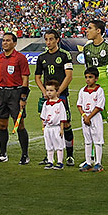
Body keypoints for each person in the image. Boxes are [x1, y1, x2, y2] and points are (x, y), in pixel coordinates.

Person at [82, 20, 108, 168]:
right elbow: (88, 69)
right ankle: (92, 157)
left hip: (107, 89)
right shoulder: (86, 48)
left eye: (89, 28)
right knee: (91, 122)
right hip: (92, 90)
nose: (86, 31)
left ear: (98, 31)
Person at [35, 29, 77, 166]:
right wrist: (44, 91)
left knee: (66, 124)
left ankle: (69, 156)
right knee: (48, 125)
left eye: (51, 39)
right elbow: (37, 77)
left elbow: (69, 75)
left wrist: (59, 92)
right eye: (46, 39)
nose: (48, 42)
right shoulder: (42, 57)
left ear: (57, 40)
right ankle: (49, 157)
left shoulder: (65, 55)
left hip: (61, 96)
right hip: (48, 97)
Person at [0, 31, 30, 164]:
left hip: (16, 93)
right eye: (4, 40)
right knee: (1, 124)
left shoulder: (20, 58)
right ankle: (2, 154)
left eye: (8, 40)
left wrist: (23, 98)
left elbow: (25, 78)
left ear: (14, 43)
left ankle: (25, 155)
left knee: (19, 124)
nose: (5, 43)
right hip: (1, 94)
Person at [77, 67, 107, 172]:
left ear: (96, 78)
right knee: (87, 140)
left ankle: (98, 163)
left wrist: (89, 117)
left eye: (90, 77)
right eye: (86, 77)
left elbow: (99, 106)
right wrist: (84, 116)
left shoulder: (99, 91)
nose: (88, 79)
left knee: (97, 140)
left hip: (95, 117)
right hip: (85, 118)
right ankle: (88, 162)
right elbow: (79, 105)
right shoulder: (82, 90)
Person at [39, 81, 68, 170]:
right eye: (47, 90)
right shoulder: (45, 104)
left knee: (59, 145)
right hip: (48, 128)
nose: (49, 93)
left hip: (56, 127)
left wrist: (61, 129)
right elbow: (43, 116)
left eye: (51, 90)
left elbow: (62, 117)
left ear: (56, 91)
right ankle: (50, 161)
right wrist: (43, 127)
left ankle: (60, 162)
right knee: (49, 145)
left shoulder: (60, 104)